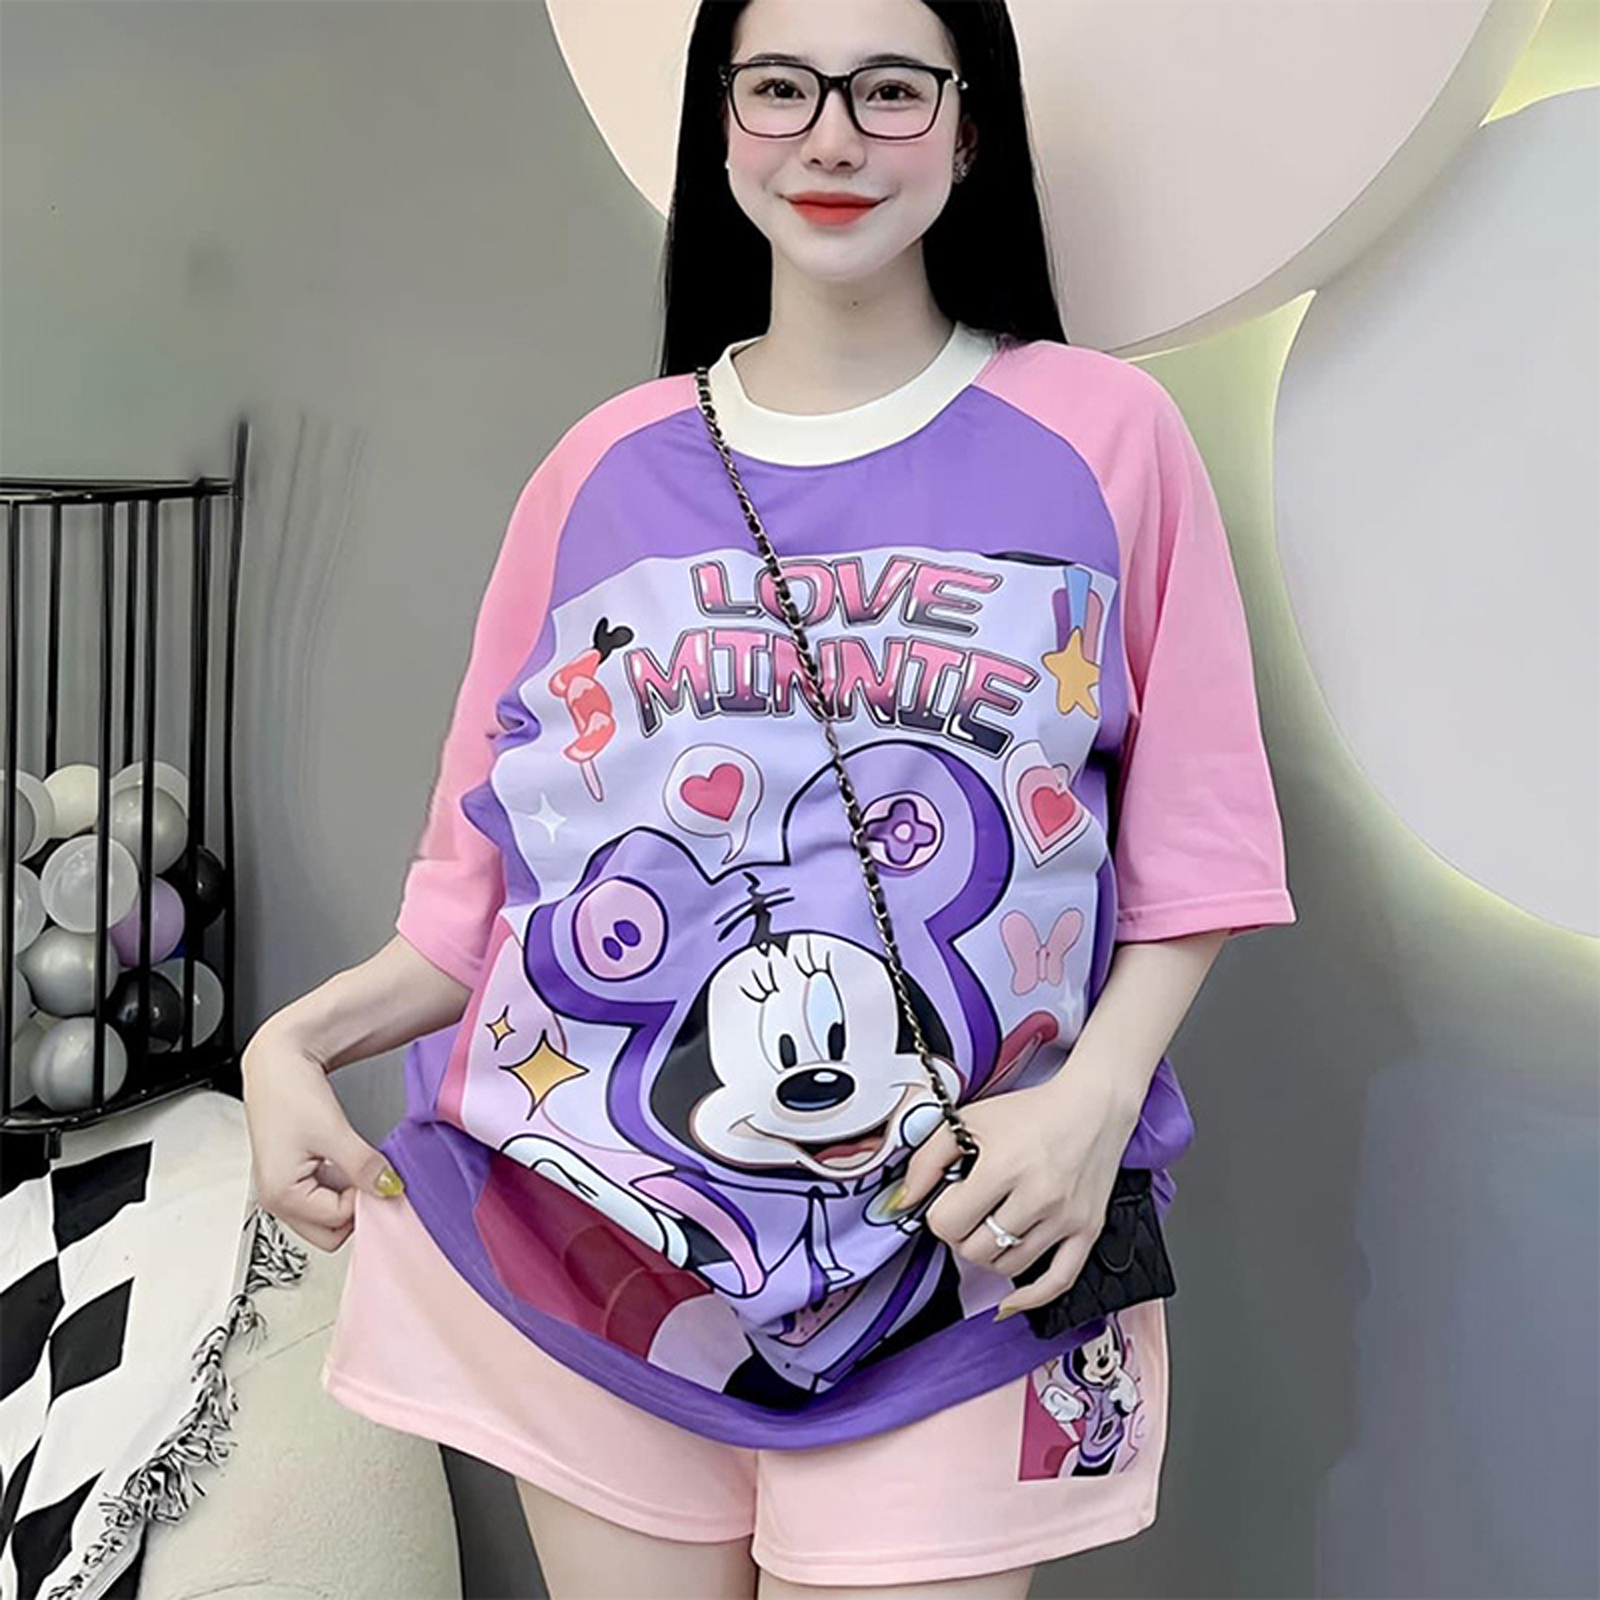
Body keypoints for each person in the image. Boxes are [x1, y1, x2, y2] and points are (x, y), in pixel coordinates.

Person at [242, 0, 1297, 1594]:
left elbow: (1196, 850)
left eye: (890, 91)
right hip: (597, 1246)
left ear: (969, 125)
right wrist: (291, 1043)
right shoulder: (600, 468)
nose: (831, 137)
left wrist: (1090, 1108)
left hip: (965, 1254)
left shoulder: (1105, 437)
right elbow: (476, 899)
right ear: (721, 121)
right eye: (781, 88)